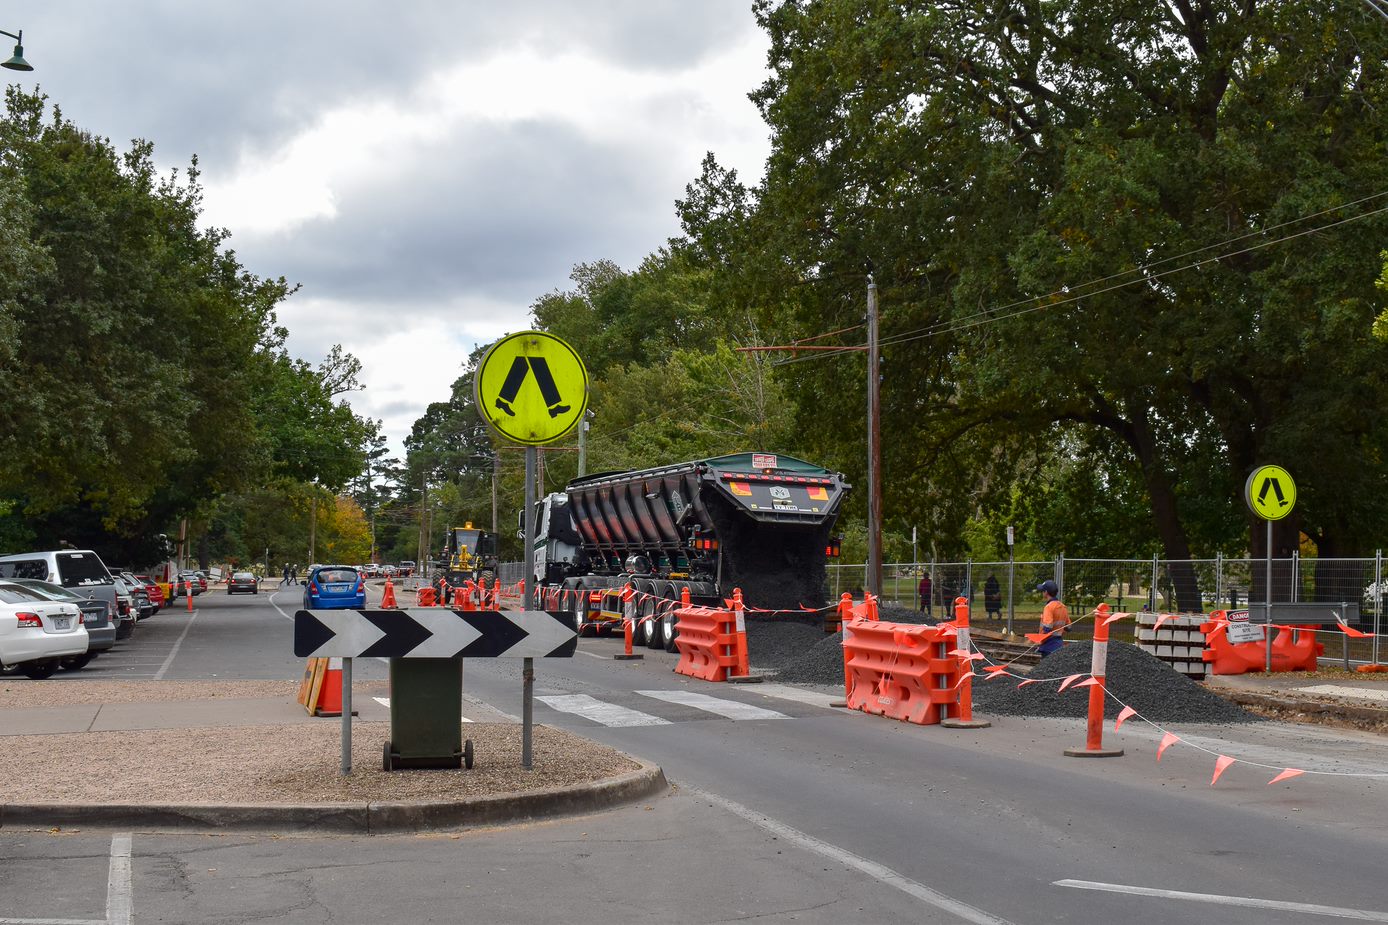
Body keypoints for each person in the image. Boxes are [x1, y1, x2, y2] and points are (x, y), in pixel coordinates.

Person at [1036, 580, 1070, 656]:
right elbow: (1069, 627)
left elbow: (1048, 627)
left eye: (1043, 591)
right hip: (1059, 644)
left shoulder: (1048, 607)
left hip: (1048, 645)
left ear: (1046, 592)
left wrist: (1038, 637)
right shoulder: (1063, 606)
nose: (1042, 593)